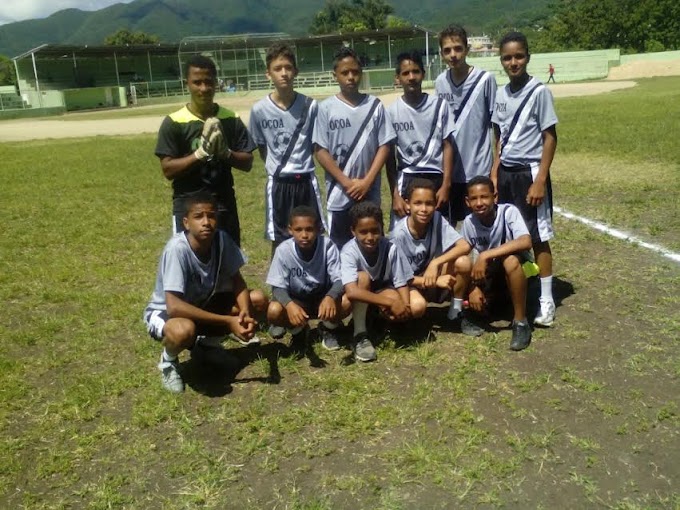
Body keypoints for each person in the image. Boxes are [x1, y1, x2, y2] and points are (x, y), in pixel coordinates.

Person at [143, 192, 268, 393]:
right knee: (183, 331)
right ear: (186, 222)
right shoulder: (177, 249)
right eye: (198, 216)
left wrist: (245, 313)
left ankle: (208, 347)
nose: (206, 222)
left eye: (211, 216)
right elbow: (174, 307)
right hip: (166, 313)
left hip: (201, 303)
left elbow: (237, 281)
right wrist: (228, 321)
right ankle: (168, 360)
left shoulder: (221, 240)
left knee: (257, 300)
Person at [491, 31, 558, 327]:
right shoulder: (500, 94)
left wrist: (540, 179)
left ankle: (546, 301)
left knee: (538, 237)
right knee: (511, 235)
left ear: (528, 57)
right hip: (506, 173)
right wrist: (495, 172)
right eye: (507, 57)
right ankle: (514, 291)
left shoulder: (539, 91)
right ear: (501, 61)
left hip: (529, 172)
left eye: (518, 56)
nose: (513, 62)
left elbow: (550, 137)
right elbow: (499, 137)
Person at [155, 55, 256, 246]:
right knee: (191, 265)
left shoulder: (230, 119)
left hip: (223, 206)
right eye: (197, 82)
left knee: (227, 267)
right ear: (187, 83)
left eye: (208, 82)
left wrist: (226, 153)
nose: (203, 88)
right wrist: (199, 154)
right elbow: (168, 170)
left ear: (216, 83)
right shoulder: (174, 122)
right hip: (188, 208)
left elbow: (248, 162)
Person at [313, 46, 396, 248]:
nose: (350, 77)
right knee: (340, 248)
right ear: (335, 75)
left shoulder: (374, 106)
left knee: (371, 244)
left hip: (369, 192)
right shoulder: (325, 108)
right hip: (340, 193)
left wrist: (367, 181)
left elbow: (385, 145)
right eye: (344, 73)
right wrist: (347, 183)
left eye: (355, 72)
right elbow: (320, 150)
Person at [249, 43, 325, 255]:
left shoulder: (311, 106)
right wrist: (278, 167)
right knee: (280, 237)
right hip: (279, 184)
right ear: (268, 74)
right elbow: (262, 148)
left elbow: (315, 144)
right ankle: (279, 286)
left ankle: (317, 282)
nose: (284, 73)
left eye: (288, 67)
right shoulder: (259, 110)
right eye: (277, 68)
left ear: (296, 71)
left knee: (313, 233)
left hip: (306, 180)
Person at [390, 178, 482, 336]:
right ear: (407, 204)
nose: (424, 209)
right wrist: (434, 280)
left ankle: (455, 313)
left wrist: (436, 263)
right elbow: (398, 278)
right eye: (418, 203)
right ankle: (399, 321)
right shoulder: (398, 235)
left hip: (430, 276)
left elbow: (465, 246)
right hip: (408, 284)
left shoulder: (437, 219)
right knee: (418, 307)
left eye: (429, 203)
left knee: (464, 262)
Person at [460, 176, 534, 350]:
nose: (479, 203)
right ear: (467, 201)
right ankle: (467, 312)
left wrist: (485, 255)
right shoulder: (469, 222)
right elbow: (462, 256)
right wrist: (472, 288)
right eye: (474, 198)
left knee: (510, 260)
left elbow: (525, 241)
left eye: (484, 197)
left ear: (495, 196)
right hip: (492, 275)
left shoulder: (508, 212)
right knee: (462, 264)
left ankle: (521, 323)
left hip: (520, 271)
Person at [266, 206, 351, 353]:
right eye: (298, 230)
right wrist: (289, 305)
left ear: (318, 229)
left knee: (347, 301)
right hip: (297, 300)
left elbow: (340, 279)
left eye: (309, 229)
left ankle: (327, 328)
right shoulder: (283, 250)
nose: (304, 235)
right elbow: (277, 286)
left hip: (322, 299)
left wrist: (331, 296)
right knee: (274, 311)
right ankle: (298, 332)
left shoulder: (327, 245)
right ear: (290, 230)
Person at [435, 24, 497, 225]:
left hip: (479, 168)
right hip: (450, 172)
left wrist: (495, 168)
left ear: (467, 50)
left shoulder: (485, 80)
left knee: (482, 226)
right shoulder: (440, 82)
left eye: (458, 48)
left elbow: (497, 128)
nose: (453, 55)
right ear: (442, 53)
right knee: (450, 227)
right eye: (447, 50)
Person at [386, 50, 455, 227]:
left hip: (436, 178)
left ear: (423, 74)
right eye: (405, 73)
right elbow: (389, 157)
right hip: (407, 177)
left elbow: (448, 146)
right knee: (404, 233)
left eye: (416, 71)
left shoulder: (440, 106)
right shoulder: (392, 112)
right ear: (397, 78)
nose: (411, 77)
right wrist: (395, 195)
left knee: (439, 234)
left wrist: (446, 184)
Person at [341, 201, 414, 362]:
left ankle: (377, 322)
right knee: (361, 280)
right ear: (353, 231)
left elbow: (400, 281)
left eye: (375, 231)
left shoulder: (391, 247)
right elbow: (352, 291)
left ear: (382, 227)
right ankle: (359, 334)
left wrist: (405, 307)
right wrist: (390, 303)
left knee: (404, 303)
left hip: (380, 292)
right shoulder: (348, 251)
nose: (370, 237)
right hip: (357, 295)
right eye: (363, 232)